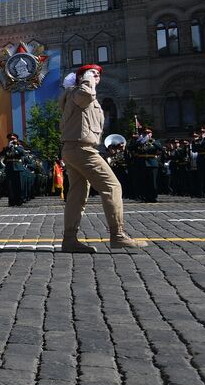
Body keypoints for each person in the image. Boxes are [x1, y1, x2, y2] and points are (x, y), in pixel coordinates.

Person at [59, 64, 147, 252]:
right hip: (81, 148)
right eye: (93, 74)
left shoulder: (77, 93)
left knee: (77, 193)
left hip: (74, 147)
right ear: (81, 77)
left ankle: (69, 239)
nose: (96, 77)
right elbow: (85, 96)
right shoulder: (79, 91)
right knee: (112, 186)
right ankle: (117, 235)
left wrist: (86, 80)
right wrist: (86, 78)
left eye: (98, 75)